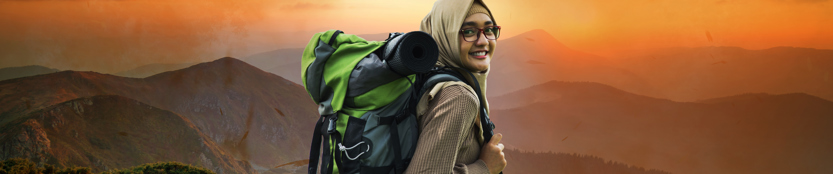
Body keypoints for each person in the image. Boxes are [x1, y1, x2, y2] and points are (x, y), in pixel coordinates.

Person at [405, 0, 506, 173]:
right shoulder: (458, 97)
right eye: (469, 31)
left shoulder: (426, 76)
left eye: (489, 30)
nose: (483, 41)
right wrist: (485, 168)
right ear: (445, 35)